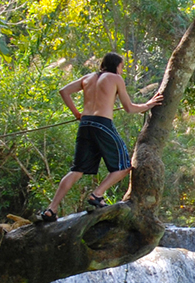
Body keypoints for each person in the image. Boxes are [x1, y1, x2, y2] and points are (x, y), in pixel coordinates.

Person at [37, 52, 163, 223]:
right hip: (102, 124)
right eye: (122, 66)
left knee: (76, 170)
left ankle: (51, 209)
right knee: (124, 166)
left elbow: (64, 91)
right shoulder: (115, 78)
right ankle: (97, 194)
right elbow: (129, 108)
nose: (122, 69)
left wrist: (77, 114)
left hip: (85, 124)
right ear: (116, 65)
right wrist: (148, 105)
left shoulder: (87, 78)